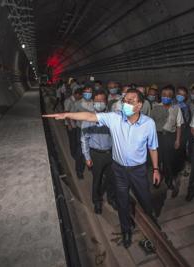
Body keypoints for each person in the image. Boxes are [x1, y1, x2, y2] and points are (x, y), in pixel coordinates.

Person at [43, 88, 161, 249]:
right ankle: (126, 231)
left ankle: (154, 227)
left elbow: (153, 148)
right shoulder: (114, 118)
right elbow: (89, 116)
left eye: (130, 101)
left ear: (140, 105)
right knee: (123, 202)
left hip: (138, 171)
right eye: (124, 100)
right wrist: (67, 115)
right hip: (119, 170)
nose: (126, 104)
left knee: (145, 199)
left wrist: (155, 169)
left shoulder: (149, 124)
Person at [81, 90, 117, 214]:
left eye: (101, 100)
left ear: (106, 102)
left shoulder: (112, 117)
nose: (99, 103)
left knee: (112, 178)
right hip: (96, 154)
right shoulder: (88, 119)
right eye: (96, 101)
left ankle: (111, 198)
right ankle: (97, 201)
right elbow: (84, 139)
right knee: (97, 179)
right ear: (93, 103)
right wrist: (87, 157)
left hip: (110, 153)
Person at [150, 85, 184, 197]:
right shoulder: (155, 107)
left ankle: (169, 180)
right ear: (160, 95)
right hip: (157, 136)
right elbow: (150, 125)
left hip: (170, 137)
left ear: (172, 97)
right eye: (164, 95)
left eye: (169, 95)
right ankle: (157, 179)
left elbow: (179, 125)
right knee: (157, 159)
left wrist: (178, 140)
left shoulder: (176, 108)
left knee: (168, 161)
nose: (166, 97)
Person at [71, 85, 94, 179]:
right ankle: (79, 170)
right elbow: (72, 115)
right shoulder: (78, 103)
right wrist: (73, 125)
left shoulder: (95, 103)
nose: (88, 94)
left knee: (90, 149)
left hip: (93, 130)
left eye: (90, 92)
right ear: (83, 93)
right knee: (80, 151)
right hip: (81, 129)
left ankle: (89, 164)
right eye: (86, 92)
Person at [175, 87, 192, 167]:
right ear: (176, 94)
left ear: (185, 97)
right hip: (170, 132)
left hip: (180, 132)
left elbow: (185, 122)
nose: (180, 96)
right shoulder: (171, 104)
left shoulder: (185, 107)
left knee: (179, 151)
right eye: (179, 94)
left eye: (183, 95)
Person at [64, 88, 82, 159]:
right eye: (80, 96)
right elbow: (66, 113)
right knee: (72, 140)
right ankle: (73, 154)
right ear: (76, 94)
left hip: (75, 123)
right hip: (70, 124)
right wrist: (69, 125)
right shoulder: (68, 101)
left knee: (76, 140)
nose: (80, 98)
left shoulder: (77, 101)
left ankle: (75, 153)